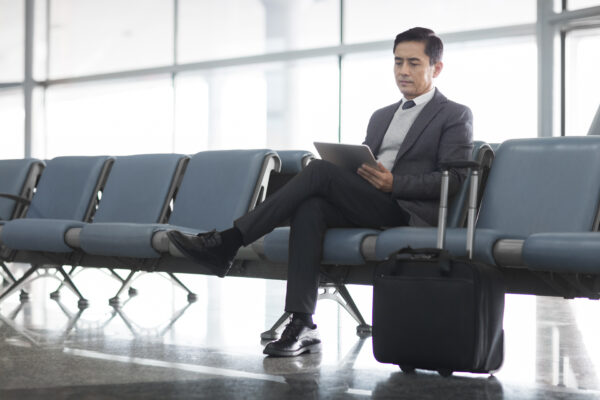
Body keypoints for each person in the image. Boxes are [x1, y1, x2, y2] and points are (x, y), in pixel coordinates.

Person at [167, 27, 473, 357]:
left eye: (414, 63)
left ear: (436, 68)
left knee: (318, 172)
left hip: (404, 211)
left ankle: (228, 241)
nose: (403, 71)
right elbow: (365, 164)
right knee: (310, 206)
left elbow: (453, 179)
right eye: (398, 62)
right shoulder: (382, 115)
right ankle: (303, 324)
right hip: (368, 201)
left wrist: (394, 183)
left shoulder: (454, 114)